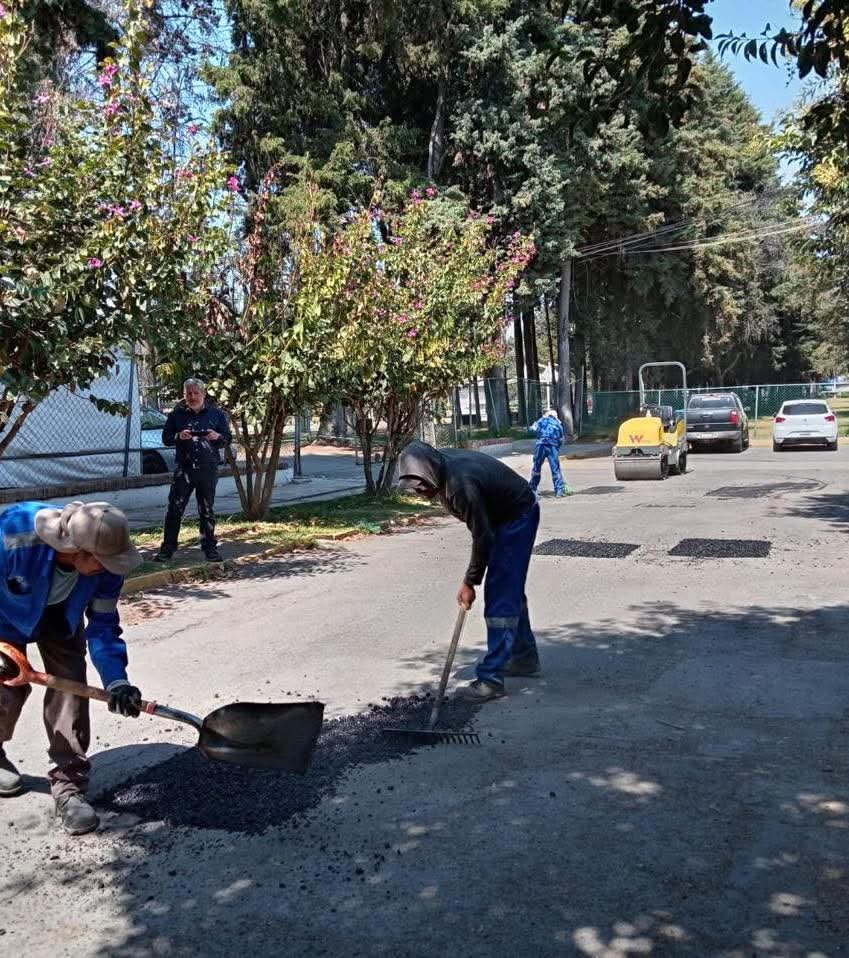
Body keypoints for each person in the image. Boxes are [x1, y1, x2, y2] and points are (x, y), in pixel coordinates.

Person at [0, 500, 144, 835]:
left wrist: (116, 680)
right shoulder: (13, 537)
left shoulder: (107, 569)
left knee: (70, 690)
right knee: (7, 690)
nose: (112, 568)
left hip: (60, 619)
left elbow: (103, 625)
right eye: (103, 561)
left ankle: (69, 786)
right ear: (75, 550)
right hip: (4, 618)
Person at [397, 441, 541, 702]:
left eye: (422, 486)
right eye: (415, 488)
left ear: (432, 472)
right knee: (509, 590)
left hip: (516, 517)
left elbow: (482, 537)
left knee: (500, 596)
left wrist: (470, 582)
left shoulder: (461, 485)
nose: (419, 493)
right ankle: (524, 658)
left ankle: (492, 680)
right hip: (500, 516)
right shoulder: (443, 468)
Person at [153, 378, 232, 563]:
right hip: (184, 469)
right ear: (184, 395)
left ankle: (210, 548)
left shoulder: (216, 414)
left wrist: (217, 436)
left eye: (196, 393)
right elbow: (166, 438)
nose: (192, 396)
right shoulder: (176, 415)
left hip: (208, 468)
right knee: (175, 509)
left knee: (206, 510)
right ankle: (167, 549)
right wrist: (178, 436)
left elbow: (227, 438)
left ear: (203, 394)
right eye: (189, 393)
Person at [529, 409, 570, 497]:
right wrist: (556, 447)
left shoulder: (541, 421)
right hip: (552, 446)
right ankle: (559, 490)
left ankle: (532, 488)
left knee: (537, 467)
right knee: (555, 468)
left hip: (540, 445)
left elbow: (532, 429)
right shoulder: (557, 423)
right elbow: (560, 437)